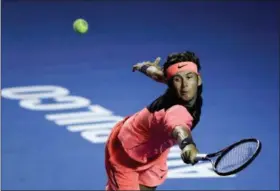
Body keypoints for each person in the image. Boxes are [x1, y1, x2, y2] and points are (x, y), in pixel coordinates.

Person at [105, 51, 203, 191]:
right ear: (172, 82)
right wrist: (187, 145)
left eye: (189, 77)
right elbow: (179, 128)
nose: (184, 85)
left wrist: (144, 67)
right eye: (177, 80)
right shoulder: (176, 111)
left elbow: (159, 75)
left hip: (154, 150)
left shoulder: (177, 82)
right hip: (124, 152)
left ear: (198, 79)